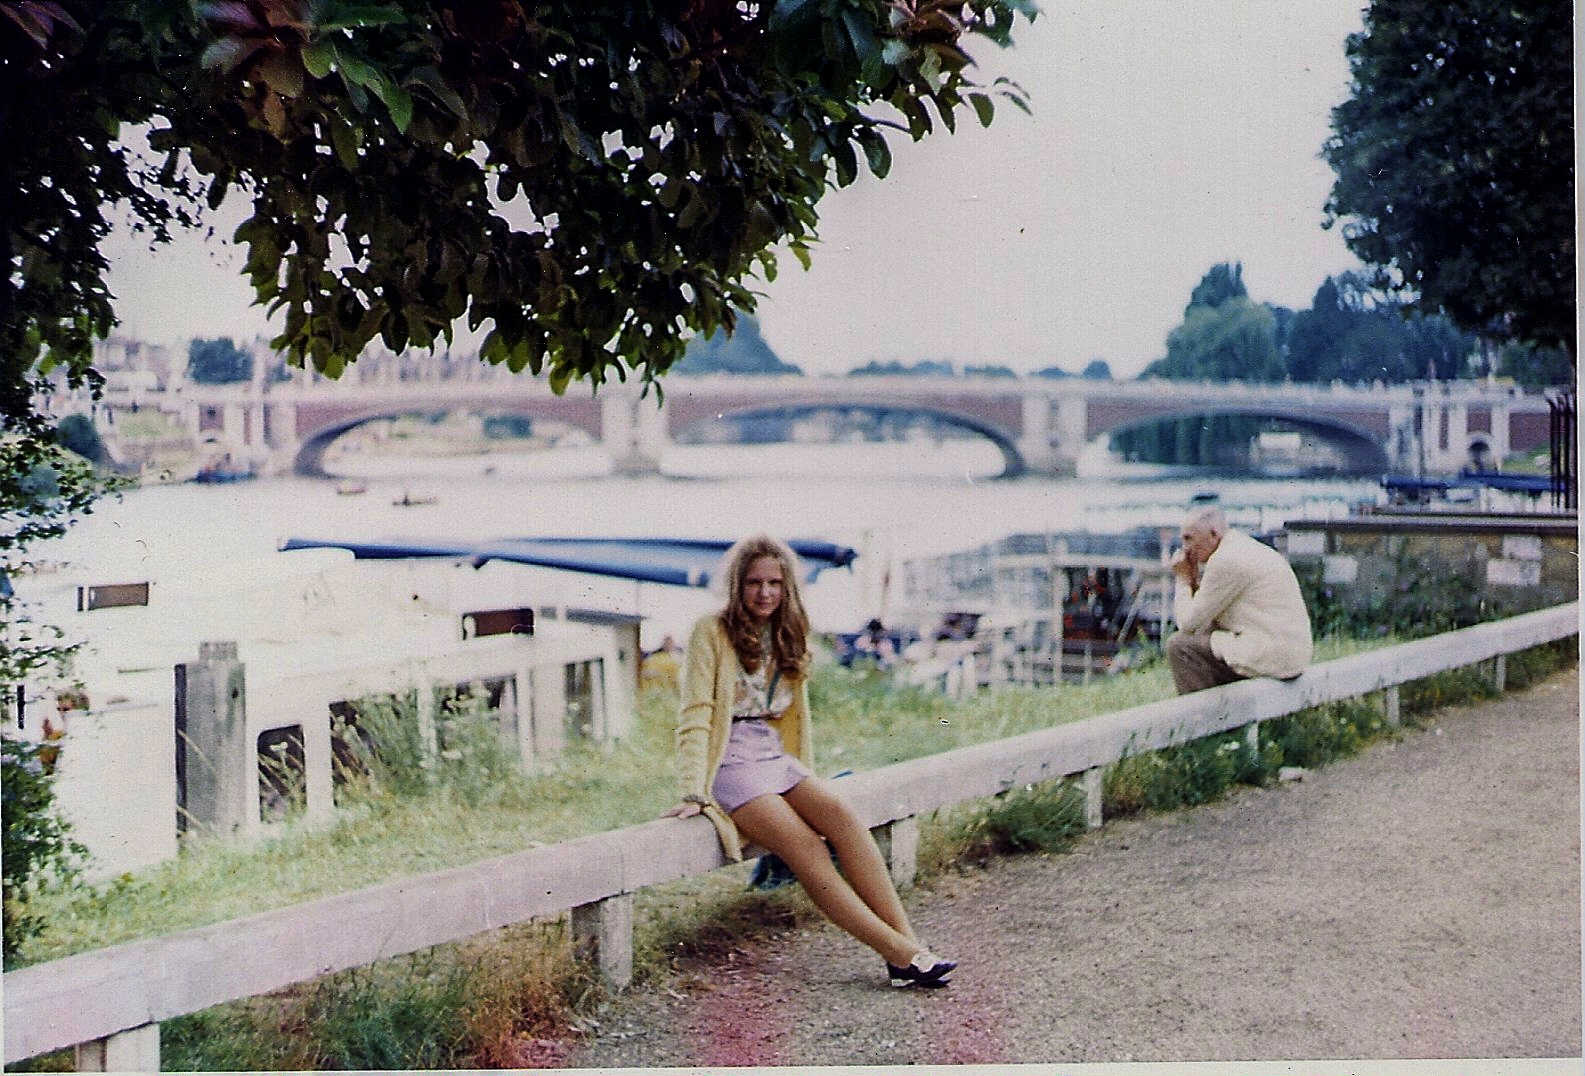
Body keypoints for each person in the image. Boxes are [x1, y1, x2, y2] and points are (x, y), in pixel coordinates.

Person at [662, 535, 956, 989]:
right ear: (737, 585)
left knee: (843, 818)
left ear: (788, 587)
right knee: (806, 847)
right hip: (731, 762)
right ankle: (899, 952)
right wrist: (693, 790)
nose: (764, 593)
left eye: (775, 583)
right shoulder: (711, 629)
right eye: (754, 583)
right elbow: (697, 713)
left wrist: (803, 774)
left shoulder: (789, 628)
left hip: (773, 754)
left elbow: (795, 715)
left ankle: (908, 948)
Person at [1164, 504, 1312, 694]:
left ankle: (1202, 720)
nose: (1185, 548)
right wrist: (1193, 581)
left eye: (1189, 538)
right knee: (1206, 638)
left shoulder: (1225, 560)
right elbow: (1203, 619)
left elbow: (1187, 624)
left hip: (1274, 657)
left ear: (1213, 534)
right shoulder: (1240, 547)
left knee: (1180, 646)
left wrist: (1183, 580)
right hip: (1289, 654)